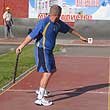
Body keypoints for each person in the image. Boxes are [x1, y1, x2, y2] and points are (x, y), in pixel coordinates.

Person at [16, 5, 88, 106]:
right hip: (42, 50)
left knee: (51, 70)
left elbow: (69, 29)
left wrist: (81, 37)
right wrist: (21, 46)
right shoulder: (43, 23)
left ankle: (42, 89)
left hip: (49, 51)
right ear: (58, 15)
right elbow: (31, 36)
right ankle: (40, 98)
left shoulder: (58, 23)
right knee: (48, 72)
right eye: (59, 15)